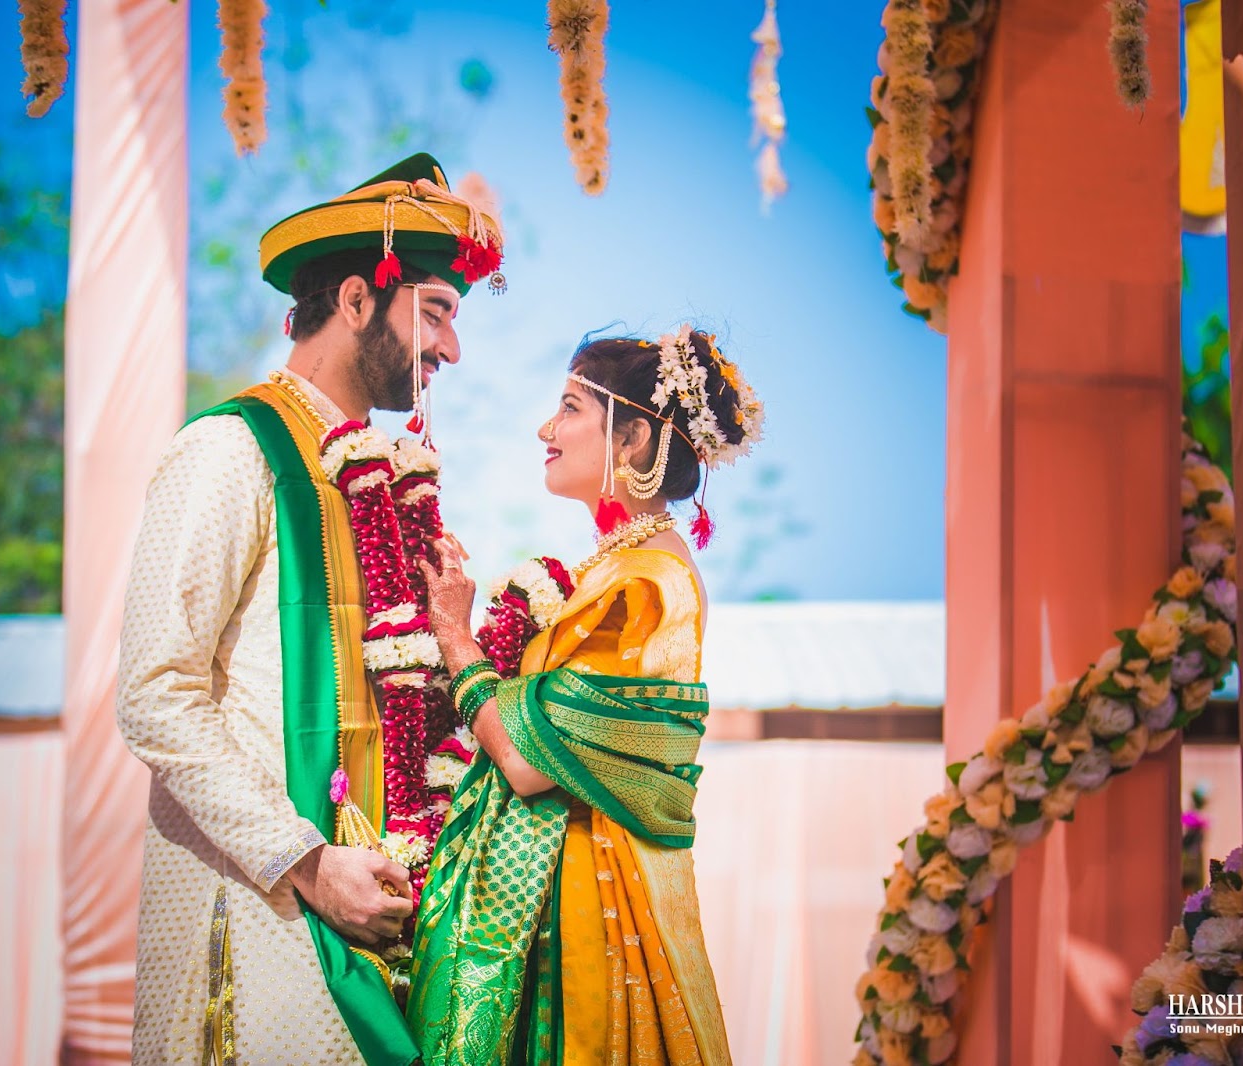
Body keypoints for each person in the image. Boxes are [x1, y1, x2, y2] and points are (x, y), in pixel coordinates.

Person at [115, 152, 503, 1066]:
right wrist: (307, 862)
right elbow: (154, 693)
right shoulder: (228, 451)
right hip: (261, 918)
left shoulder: (381, 481)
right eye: (437, 312)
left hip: (378, 924)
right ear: (358, 301)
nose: (451, 350)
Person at [408, 325, 764, 1065]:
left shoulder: (643, 585)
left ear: (633, 437)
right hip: (566, 890)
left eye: (569, 407)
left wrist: (453, 634)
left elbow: (528, 764)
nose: (547, 428)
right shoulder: (619, 568)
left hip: (588, 911)